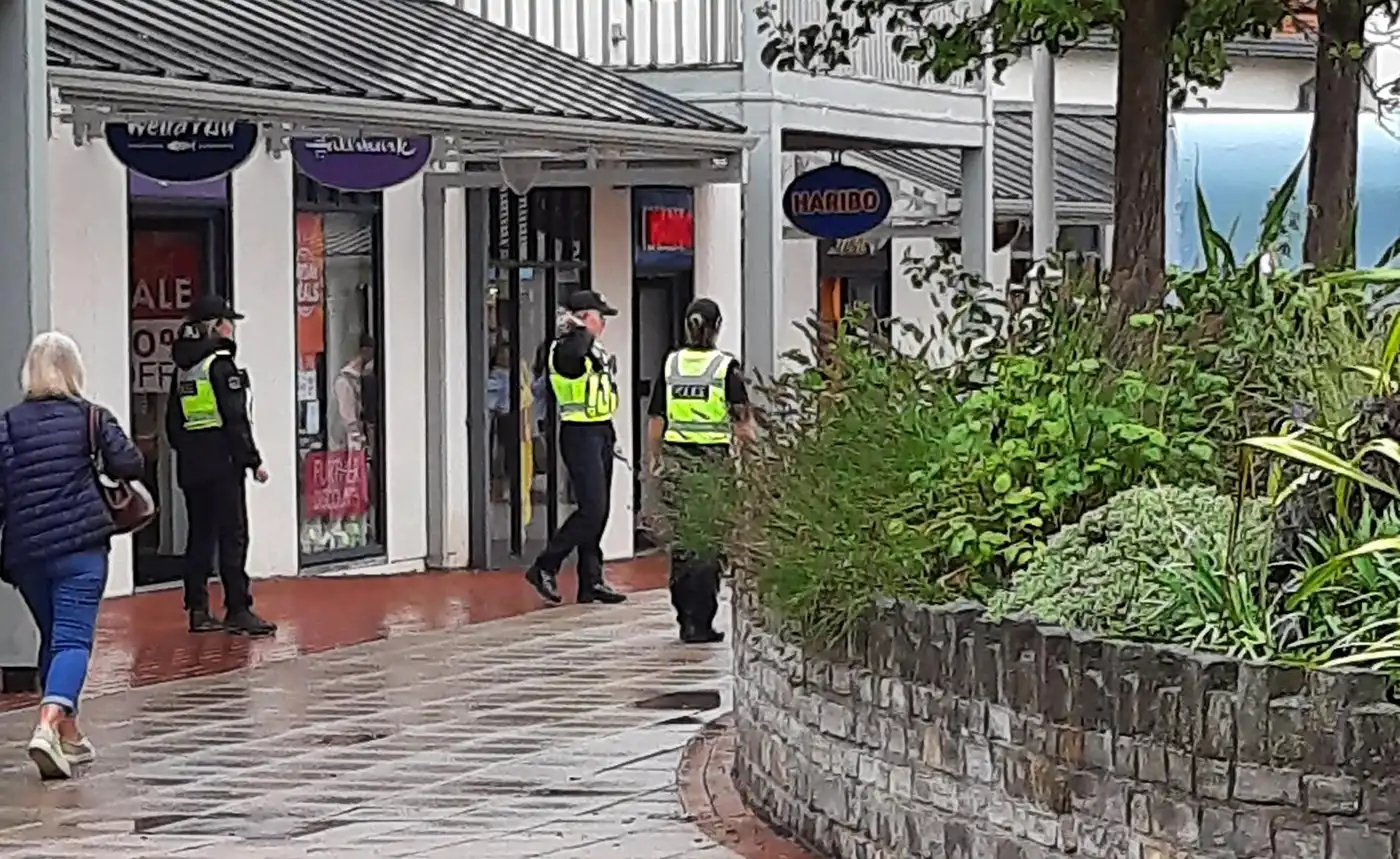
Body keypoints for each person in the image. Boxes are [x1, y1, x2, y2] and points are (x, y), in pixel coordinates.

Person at [0, 331, 145, 779]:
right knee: (72, 641)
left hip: (26, 553)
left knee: (54, 637)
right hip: (80, 547)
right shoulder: (92, 418)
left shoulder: (7, 423)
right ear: (73, 370)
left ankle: (70, 738)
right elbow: (131, 464)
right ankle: (47, 725)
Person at [165, 294, 276, 637]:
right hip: (223, 464)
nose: (232, 327)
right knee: (233, 535)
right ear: (215, 326)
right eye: (228, 321)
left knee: (200, 535)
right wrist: (252, 460)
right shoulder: (220, 364)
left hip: (192, 465)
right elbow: (235, 419)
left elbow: (172, 424)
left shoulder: (184, 368)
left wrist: (190, 450)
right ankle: (238, 608)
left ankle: (198, 608)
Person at [646, 298, 754, 644]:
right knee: (708, 544)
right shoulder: (726, 368)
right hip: (712, 465)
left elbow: (656, 419)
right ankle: (702, 621)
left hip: (677, 462)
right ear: (717, 325)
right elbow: (743, 424)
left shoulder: (672, 363)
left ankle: (685, 618)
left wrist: (655, 459)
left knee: (682, 543)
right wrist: (752, 466)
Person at [523, 290, 627, 606]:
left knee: (601, 510)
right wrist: (578, 327)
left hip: (601, 430)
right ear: (583, 318)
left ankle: (591, 580)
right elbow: (572, 361)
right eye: (599, 316)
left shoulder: (592, 347)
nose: (604, 323)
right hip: (579, 432)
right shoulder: (567, 347)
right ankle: (545, 565)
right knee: (591, 509)